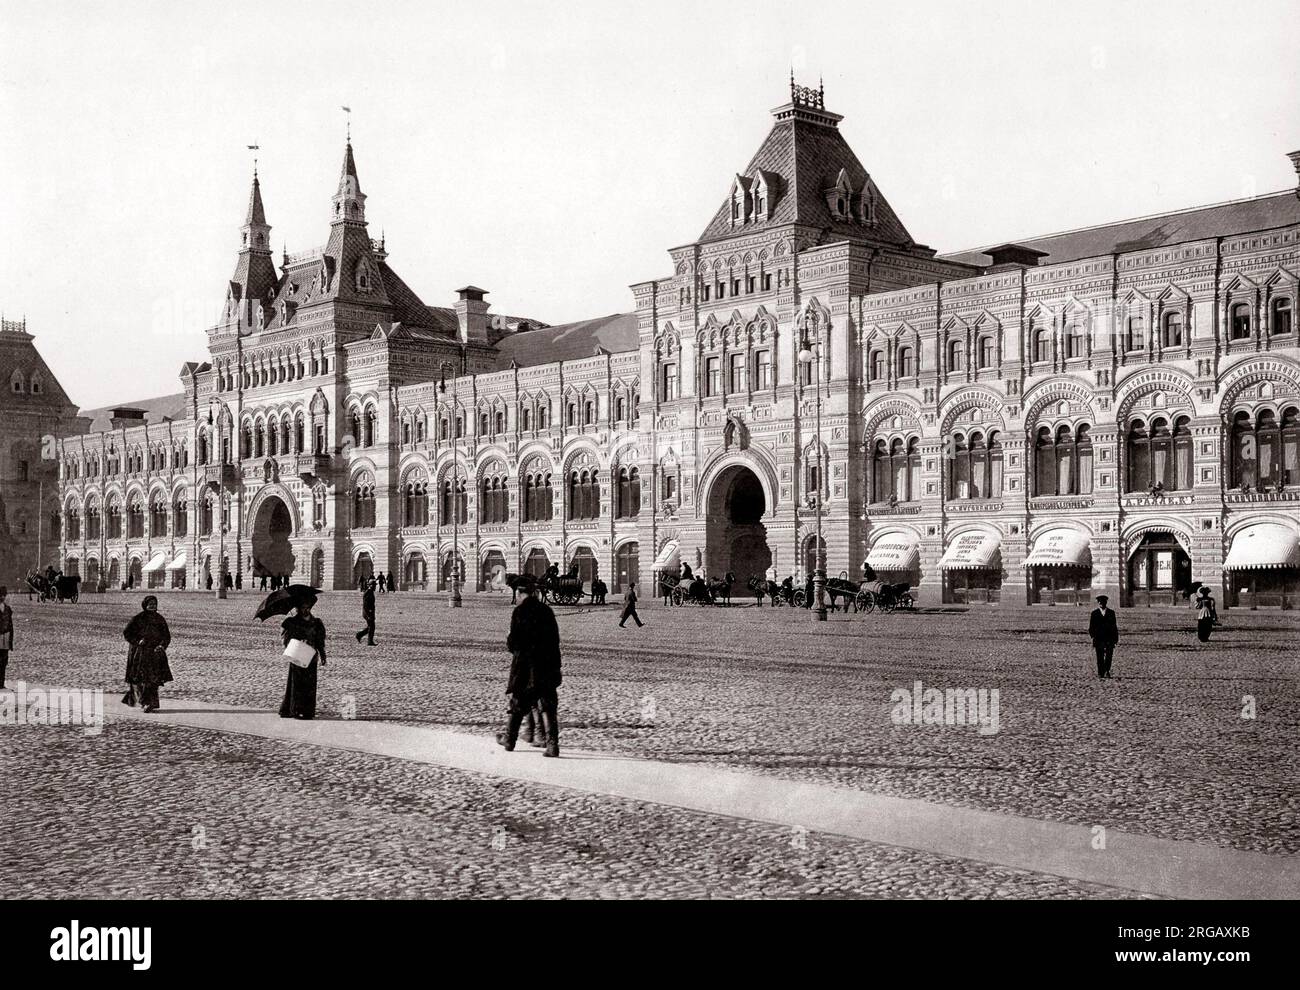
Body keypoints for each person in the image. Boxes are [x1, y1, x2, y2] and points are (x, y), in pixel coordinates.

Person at [497, 577, 562, 757]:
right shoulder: (547, 610)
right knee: (548, 705)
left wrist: (509, 639)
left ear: (519, 593)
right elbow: (555, 640)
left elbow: (514, 643)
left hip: (526, 666)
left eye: (516, 594)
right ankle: (552, 745)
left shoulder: (520, 612)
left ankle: (509, 740)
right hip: (547, 664)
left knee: (517, 703)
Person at [122, 595, 173, 713]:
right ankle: (145, 702)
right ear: (145, 605)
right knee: (142, 678)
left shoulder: (160, 619)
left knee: (153, 679)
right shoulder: (138, 618)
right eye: (150, 604)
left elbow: (166, 636)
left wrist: (162, 645)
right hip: (140, 653)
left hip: (155, 653)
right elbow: (127, 633)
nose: (152, 606)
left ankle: (150, 703)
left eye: (154, 604)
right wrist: (137, 641)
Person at [280, 597, 326, 720]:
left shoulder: (316, 623)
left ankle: (308, 711)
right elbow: (286, 640)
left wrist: (323, 655)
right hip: (298, 654)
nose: (306, 610)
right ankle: (295, 709)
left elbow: (320, 641)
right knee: (296, 683)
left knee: (310, 685)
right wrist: (297, 641)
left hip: (311, 656)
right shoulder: (292, 622)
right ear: (298, 609)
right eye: (303, 608)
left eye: (308, 608)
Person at [1088, 594, 1118, 680]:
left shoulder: (1111, 613)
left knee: (1109, 656)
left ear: (1106, 603)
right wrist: (1093, 636)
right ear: (1098, 603)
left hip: (1109, 638)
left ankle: (1107, 670)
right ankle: (1100, 672)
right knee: (1099, 656)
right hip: (1099, 638)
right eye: (1100, 602)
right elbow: (1091, 627)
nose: (1101, 604)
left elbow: (1114, 626)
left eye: (1103, 602)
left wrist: (1115, 638)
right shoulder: (1094, 613)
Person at [356, 577, 377, 646]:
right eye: (373, 585)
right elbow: (365, 605)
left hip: (370, 613)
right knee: (372, 626)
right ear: (370, 585)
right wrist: (368, 614)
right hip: (367, 613)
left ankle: (359, 635)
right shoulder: (368, 592)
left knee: (370, 626)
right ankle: (369, 641)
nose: (375, 586)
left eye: (375, 585)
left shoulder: (370, 592)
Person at [0, 586, 12, 689]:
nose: (3, 597)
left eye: (4, 595)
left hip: (5, 639)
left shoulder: (8, 609)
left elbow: (10, 625)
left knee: (4, 662)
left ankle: (1, 683)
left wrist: (10, 642)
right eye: (1, 595)